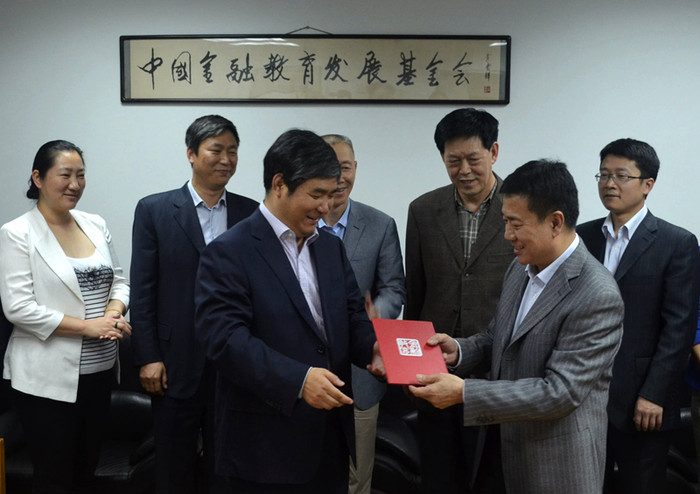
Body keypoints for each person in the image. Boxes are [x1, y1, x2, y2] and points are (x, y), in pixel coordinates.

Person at [410, 159, 624, 494]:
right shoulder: (520, 268)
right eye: (505, 222)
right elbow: (497, 338)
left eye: (516, 224)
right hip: (499, 455)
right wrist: (459, 351)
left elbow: (560, 392)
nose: (508, 235)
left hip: (554, 466)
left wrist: (464, 392)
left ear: (555, 222)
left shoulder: (596, 293)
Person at [194, 129, 383, 494]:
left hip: (329, 439)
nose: (326, 207)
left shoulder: (329, 248)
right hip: (265, 446)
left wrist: (374, 350)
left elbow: (352, 318)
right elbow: (225, 340)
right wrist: (298, 380)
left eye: (331, 194)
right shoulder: (229, 251)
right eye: (316, 194)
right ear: (279, 184)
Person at [130, 115, 258, 494]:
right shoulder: (154, 210)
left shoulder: (251, 213)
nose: (226, 159)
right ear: (191, 154)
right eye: (216, 150)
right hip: (174, 365)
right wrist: (148, 356)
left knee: (228, 472)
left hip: (233, 365)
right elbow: (143, 289)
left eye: (232, 151)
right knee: (173, 471)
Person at [0, 140, 131, 494]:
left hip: (99, 373)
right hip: (46, 380)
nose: (75, 184)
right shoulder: (17, 232)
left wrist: (113, 315)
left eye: (81, 175)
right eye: (65, 175)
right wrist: (89, 327)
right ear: (38, 178)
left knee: (87, 472)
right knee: (54, 479)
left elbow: (120, 282)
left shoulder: (95, 223)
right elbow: (18, 307)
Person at [577, 138, 700, 493]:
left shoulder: (677, 242)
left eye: (621, 176)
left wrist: (655, 393)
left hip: (643, 399)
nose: (609, 183)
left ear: (648, 185)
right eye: (603, 175)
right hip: (584, 395)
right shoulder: (581, 238)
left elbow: (679, 328)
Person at [404, 108, 514, 493]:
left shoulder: (520, 209)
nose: (464, 170)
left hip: (498, 377)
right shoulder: (422, 211)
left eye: (473, 159)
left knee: (492, 480)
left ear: (494, 152)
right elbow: (415, 295)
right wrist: (410, 368)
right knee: (439, 477)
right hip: (435, 372)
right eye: (453, 161)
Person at [319, 134, 406, 494]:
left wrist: (376, 314)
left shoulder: (379, 224)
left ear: (355, 168)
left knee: (357, 479)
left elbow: (394, 288)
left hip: (361, 376)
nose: (339, 178)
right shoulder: (296, 224)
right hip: (305, 373)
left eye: (345, 168)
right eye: (330, 169)